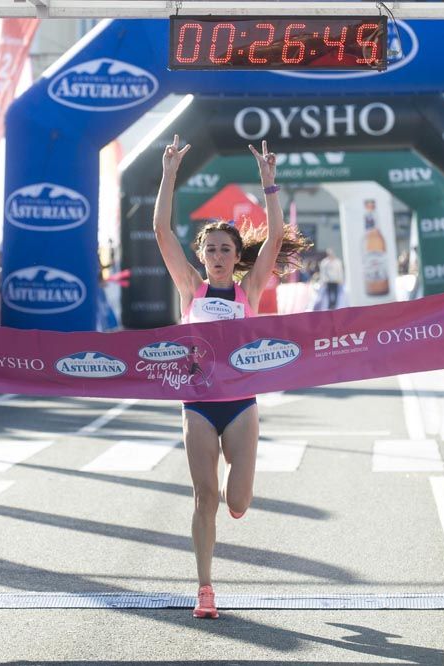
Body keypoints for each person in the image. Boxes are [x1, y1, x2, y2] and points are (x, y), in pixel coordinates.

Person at [154, 135, 310, 619]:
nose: (219, 256)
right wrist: (169, 174)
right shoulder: (190, 288)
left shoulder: (250, 291)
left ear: (235, 255)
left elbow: (276, 238)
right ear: (202, 255)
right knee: (205, 498)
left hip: (241, 404)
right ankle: (204, 589)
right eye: (212, 249)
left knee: (236, 501)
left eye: (226, 249)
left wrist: (269, 184)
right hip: (198, 404)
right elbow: (161, 230)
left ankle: (237, 486)